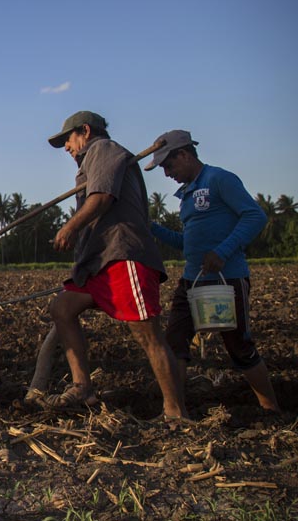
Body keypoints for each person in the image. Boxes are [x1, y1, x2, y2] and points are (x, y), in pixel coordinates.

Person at [42, 111, 187, 419]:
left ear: (84, 131)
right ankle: (83, 387)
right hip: (98, 261)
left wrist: (70, 227)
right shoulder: (91, 161)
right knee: (62, 309)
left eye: (67, 140)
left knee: (147, 334)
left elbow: (103, 197)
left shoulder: (103, 149)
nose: (66, 147)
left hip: (122, 254)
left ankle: (176, 411)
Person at [145, 130, 280, 413]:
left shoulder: (219, 179)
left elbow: (255, 216)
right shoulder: (185, 196)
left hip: (226, 279)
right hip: (192, 280)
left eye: (168, 166)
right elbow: (187, 243)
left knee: (239, 346)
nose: (167, 174)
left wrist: (222, 251)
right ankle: (176, 412)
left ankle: (271, 408)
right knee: (175, 344)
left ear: (184, 154)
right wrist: (153, 229)